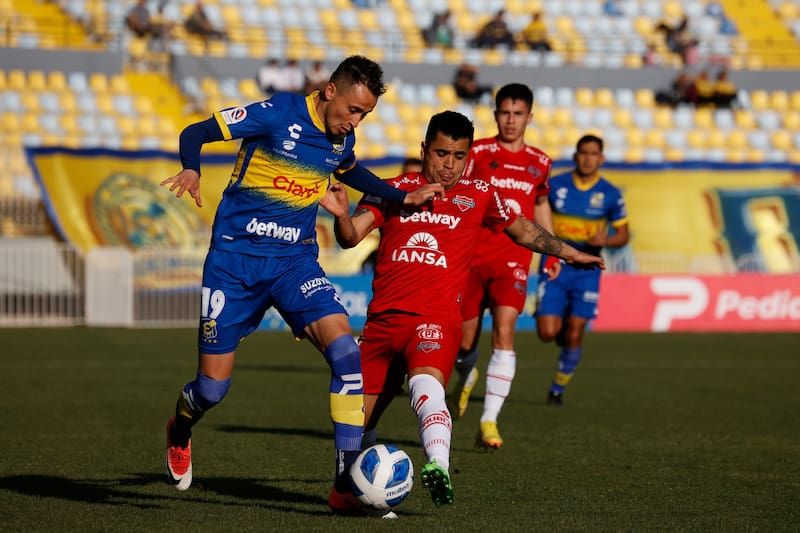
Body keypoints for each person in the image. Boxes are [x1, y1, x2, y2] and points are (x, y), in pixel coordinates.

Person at [159, 55, 444, 515]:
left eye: (365, 115)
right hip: (234, 264)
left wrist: (402, 196)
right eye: (353, 110)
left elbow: (351, 170)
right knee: (211, 391)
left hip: (295, 263)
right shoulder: (277, 113)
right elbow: (196, 132)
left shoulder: (341, 138)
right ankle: (180, 428)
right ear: (330, 91)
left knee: (346, 355)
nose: (356, 121)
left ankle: (345, 485)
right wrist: (191, 167)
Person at [321, 111, 605, 509]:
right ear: (425, 150)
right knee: (357, 425)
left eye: (459, 156)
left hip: (435, 319)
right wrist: (340, 216)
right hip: (383, 324)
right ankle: (353, 491)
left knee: (427, 386)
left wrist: (570, 252)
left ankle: (438, 465)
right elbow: (351, 237)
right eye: (441, 153)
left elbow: (523, 229)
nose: (449, 165)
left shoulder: (480, 194)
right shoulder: (393, 190)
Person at [448, 83, 555, 449]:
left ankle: (489, 421)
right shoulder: (477, 152)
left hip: (514, 259)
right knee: (464, 341)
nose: (511, 120)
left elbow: (540, 204)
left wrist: (551, 251)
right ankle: (466, 376)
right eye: (505, 113)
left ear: (529, 117)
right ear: (496, 115)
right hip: (472, 256)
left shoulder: (540, 162)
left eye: (518, 113)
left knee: (505, 330)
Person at [535, 134, 629, 406]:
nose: (588, 158)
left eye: (593, 154)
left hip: (587, 270)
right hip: (556, 264)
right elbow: (538, 214)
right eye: (584, 153)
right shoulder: (556, 185)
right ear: (576, 156)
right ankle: (562, 323)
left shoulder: (610, 193)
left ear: (601, 158)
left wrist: (605, 240)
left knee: (575, 332)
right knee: (547, 333)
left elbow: (623, 235)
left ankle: (557, 389)